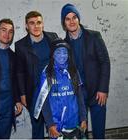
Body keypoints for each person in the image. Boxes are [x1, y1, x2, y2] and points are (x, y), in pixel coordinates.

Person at [61, 3, 111, 139]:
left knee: (99, 133)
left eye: (74, 17)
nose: (72, 21)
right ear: (64, 23)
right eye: (67, 18)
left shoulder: (94, 36)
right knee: (81, 134)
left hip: (97, 93)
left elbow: (105, 62)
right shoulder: (63, 45)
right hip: (77, 97)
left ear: (79, 19)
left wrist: (103, 89)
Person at [15, 11, 58, 139]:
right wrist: (22, 94)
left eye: (39, 22)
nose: (36, 26)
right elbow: (20, 72)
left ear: (43, 24)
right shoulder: (20, 45)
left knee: (56, 125)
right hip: (34, 94)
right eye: (32, 23)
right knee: (37, 127)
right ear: (26, 26)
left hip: (54, 90)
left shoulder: (53, 38)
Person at [34, 38, 87, 139]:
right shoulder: (47, 73)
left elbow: (80, 97)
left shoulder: (73, 71)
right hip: (56, 126)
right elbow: (44, 103)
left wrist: (83, 118)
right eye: (58, 52)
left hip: (74, 123)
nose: (62, 56)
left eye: (65, 52)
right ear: (53, 54)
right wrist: (50, 124)